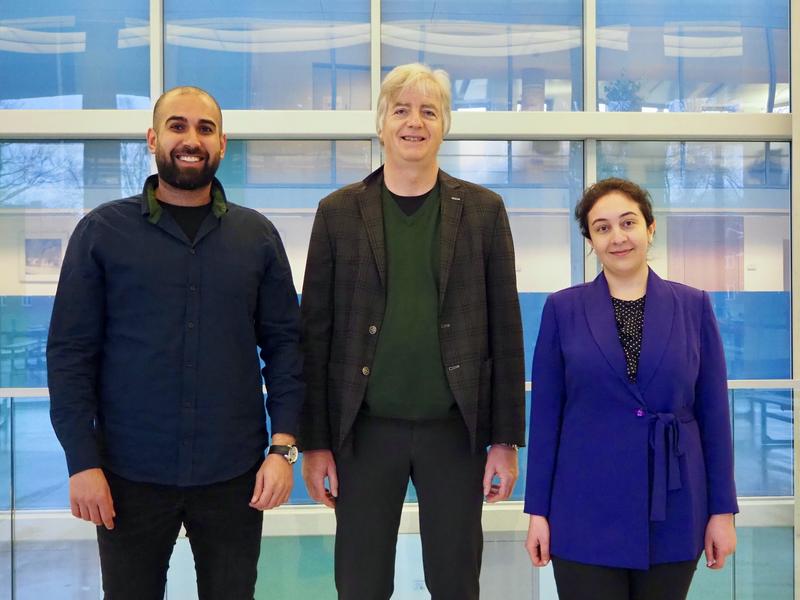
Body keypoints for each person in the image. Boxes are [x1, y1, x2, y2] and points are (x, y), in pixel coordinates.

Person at [47, 86, 304, 600]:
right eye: (178, 126)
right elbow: (70, 355)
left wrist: (284, 448)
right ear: (152, 138)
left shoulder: (257, 238)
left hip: (234, 477)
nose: (191, 139)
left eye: (205, 129)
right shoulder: (100, 233)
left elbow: (286, 349)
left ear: (223, 144)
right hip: (127, 478)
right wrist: (82, 461)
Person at [299, 63, 525, 600]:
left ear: (444, 125)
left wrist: (505, 440)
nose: (414, 122)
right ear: (381, 125)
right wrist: (315, 443)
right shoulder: (337, 213)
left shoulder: (484, 212)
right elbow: (315, 334)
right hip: (363, 434)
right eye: (401, 110)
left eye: (428, 111)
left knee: (454, 581)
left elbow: (505, 330)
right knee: (360, 582)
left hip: (456, 434)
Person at [524, 178, 738, 599]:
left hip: (674, 507)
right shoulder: (562, 310)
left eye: (628, 222)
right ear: (590, 240)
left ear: (650, 228)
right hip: (583, 507)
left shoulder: (693, 306)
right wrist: (538, 513)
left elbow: (714, 416)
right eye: (602, 228)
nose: (617, 236)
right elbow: (546, 418)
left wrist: (722, 511)